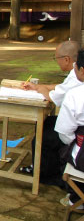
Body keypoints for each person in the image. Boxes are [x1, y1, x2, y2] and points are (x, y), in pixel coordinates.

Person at [21, 40, 82, 183]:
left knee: (44, 134)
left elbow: (55, 97)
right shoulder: (77, 73)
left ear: (67, 59)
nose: (57, 62)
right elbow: (63, 87)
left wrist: (41, 89)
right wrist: (42, 87)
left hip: (78, 136)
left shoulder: (77, 86)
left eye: (57, 59)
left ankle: (47, 174)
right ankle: (46, 166)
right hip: (77, 129)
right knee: (47, 123)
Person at [55, 49, 84, 208]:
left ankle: (76, 199)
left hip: (82, 159)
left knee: (64, 147)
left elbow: (64, 133)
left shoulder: (76, 95)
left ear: (82, 70)